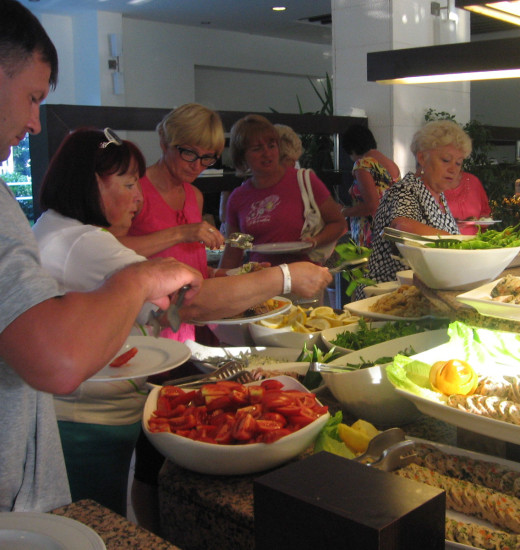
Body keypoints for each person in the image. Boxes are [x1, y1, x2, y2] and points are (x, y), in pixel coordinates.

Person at [33, 127, 332, 521]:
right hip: (85, 421)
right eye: (128, 184)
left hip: (87, 410)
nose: (138, 198)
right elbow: (192, 304)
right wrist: (286, 277)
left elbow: (165, 304)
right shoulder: (85, 244)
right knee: (96, 526)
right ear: (91, 184)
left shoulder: (57, 227)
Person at [0, 0, 203, 513]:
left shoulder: (51, 224)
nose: (34, 122)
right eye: (32, 97)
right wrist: (139, 281)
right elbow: (57, 360)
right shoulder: (78, 240)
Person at [120, 103, 227, 343]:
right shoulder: (136, 190)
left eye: (207, 158)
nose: (197, 165)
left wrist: (220, 274)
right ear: (164, 142)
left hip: (190, 326)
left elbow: (186, 264)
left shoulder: (194, 196)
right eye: (189, 153)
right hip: (149, 329)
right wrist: (180, 233)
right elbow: (111, 250)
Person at [352, 120, 471, 300]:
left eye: (458, 163)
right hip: (388, 297)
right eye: (446, 160)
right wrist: (459, 242)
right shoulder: (407, 189)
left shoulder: (438, 196)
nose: (453, 169)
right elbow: (402, 226)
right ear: (422, 158)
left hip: (422, 293)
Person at [219, 114, 347, 269]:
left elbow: (338, 223)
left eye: (271, 146)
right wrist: (218, 278)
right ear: (242, 157)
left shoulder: (303, 181)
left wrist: (315, 241)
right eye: (257, 149)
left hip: (303, 276)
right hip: (261, 278)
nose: (267, 153)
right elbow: (234, 251)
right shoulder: (238, 198)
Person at [340, 124, 400, 247]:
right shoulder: (391, 164)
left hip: (371, 233)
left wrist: (343, 212)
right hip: (391, 229)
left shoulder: (363, 164)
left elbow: (372, 206)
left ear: (352, 148)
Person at [443, 171, 492, 235]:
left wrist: (483, 221)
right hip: (442, 239)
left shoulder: (474, 181)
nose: (452, 167)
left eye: (457, 165)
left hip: (474, 240)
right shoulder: (433, 184)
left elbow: (485, 213)